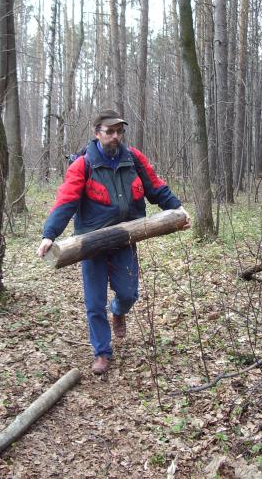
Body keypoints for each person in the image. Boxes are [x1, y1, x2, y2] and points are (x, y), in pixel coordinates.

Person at [37, 109, 190, 374]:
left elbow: (156, 188)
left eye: (119, 131)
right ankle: (102, 352)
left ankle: (118, 311)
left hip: (126, 238)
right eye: (109, 132)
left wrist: (178, 209)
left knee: (129, 293)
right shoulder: (83, 165)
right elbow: (66, 201)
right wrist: (49, 234)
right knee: (94, 302)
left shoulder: (134, 159)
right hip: (90, 245)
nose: (115, 136)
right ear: (97, 133)